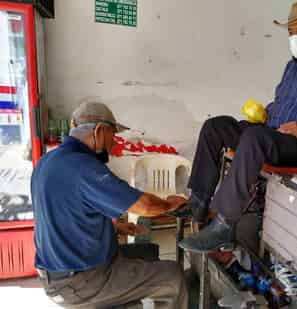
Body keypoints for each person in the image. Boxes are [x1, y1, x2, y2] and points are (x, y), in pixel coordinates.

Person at [177, 1, 297, 252]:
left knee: (255, 138)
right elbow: (283, 104)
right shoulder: (293, 66)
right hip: (275, 135)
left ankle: (224, 224)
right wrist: (267, 113)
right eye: (291, 32)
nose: (294, 38)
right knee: (217, 125)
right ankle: (199, 202)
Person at [31, 102, 188, 308]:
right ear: (99, 131)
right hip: (81, 281)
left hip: (57, 275)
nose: (113, 143)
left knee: (148, 251)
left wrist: (114, 227)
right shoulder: (84, 167)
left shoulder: (47, 161)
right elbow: (143, 205)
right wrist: (169, 205)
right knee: (173, 276)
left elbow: (64, 215)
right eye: (113, 135)